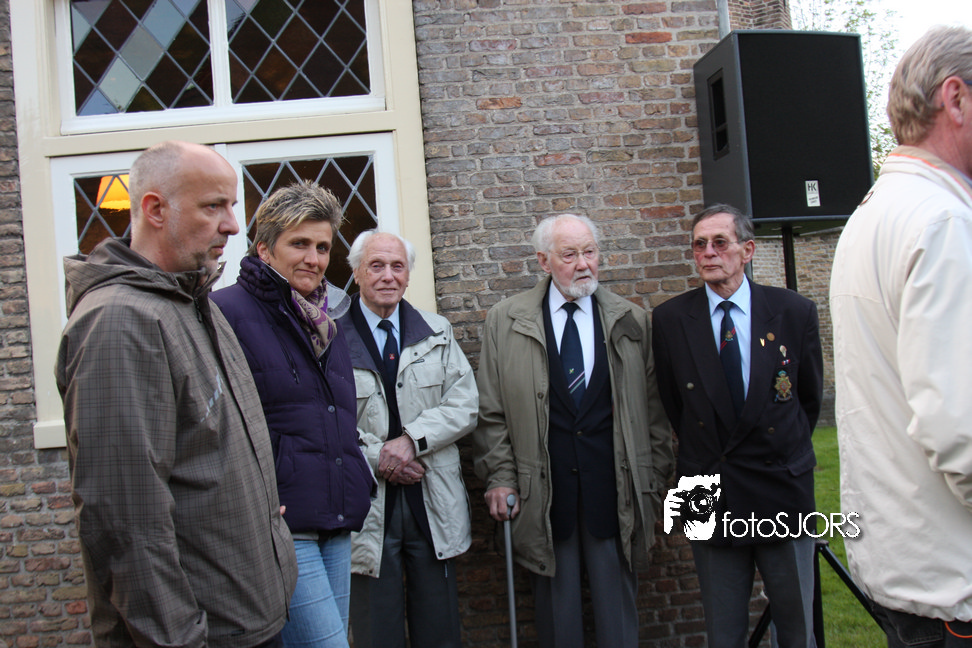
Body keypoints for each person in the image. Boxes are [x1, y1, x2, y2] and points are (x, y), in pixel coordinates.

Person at [54, 140, 298, 648]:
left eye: (232, 206)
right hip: (203, 634)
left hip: (245, 616)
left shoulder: (192, 302)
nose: (233, 225)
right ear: (155, 209)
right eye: (213, 206)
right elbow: (125, 522)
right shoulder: (120, 323)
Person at [830, 25, 972, 646]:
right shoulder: (941, 221)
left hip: (908, 567)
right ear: (956, 98)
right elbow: (959, 427)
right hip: (954, 584)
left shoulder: (874, 211)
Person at [473, 213, 674, 648]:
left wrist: (652, 484)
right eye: (569, 255)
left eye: (590, 252)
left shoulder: (632, 321)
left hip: (615, 493)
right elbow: (491, 412)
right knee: (556, 622)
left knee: (618, 619)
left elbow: (655, 415)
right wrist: (502, 477)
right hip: (543, 498)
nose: (583, 264)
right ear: (543, 261)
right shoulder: (506, 321)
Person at [651, 203, 824, 648]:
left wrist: (781, 450)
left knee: (796, 626)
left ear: (747, 250)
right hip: (704, 486)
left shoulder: (793, 311)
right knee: (722, 629)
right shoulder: (670, 320)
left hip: (781, 483)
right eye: (699, 244)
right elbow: (676, 405)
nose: (708, 253)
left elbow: (806, 400)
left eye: (719, 243)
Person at [211, 181, 374, 648]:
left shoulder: (329, 318)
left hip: (335, 516)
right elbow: (216, 423)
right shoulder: (224, 313)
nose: (314, 259)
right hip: (279, 523)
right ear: (264, 249)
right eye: (299, 244)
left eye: (322, 247)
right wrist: (254, 502)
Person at [338, 230, 478, 648]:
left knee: (439, 628)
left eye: (397, 266)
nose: (388, 276)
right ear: (357, 273)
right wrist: (379, 456)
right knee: (374, 630)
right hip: (366, 504)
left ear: (408, 274)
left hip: (430, 499)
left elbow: (465, 404)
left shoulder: (437, 331)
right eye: (376, 266)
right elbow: (325, 418)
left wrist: (411, 441)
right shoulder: (331, 338)